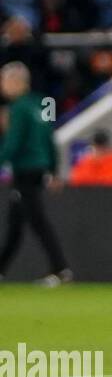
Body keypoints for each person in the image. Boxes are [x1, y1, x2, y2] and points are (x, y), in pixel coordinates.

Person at [0, 61, 71, 284]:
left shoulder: (18, 108)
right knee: (17, 223)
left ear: (15, 82)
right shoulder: (44, 102)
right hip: (39, 169)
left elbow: (14, 142)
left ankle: (61, 269)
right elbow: (51, 139)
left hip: (25, 170)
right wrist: (55, 170)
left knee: (36, 222)